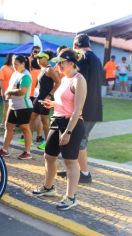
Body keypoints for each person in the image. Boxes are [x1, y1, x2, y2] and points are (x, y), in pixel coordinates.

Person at [33, 49, 87, 210]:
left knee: (70, 162)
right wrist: (53, 104)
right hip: (57, 120)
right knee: (49, 156)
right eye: (58, 62)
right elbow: (65, 104)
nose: (58, 65)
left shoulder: (79, 80)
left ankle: (71, 197)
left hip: (72, 124)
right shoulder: (64, 79)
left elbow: (77, 110)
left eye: (61, 62)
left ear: (71, 62)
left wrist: (68, 132)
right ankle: (49, 187)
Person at [57, 34, 104, 183]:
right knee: (80, 140)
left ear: (76, 45)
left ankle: (84, 174)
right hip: (95, 106)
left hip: (85, 108)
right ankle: (76, 170)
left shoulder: (82, 58)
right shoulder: (96, 59)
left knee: (80, 141)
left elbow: (77, 81)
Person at [0, 55, 33, 160]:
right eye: (13, 64)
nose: (14, 66)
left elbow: (22, 92)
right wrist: (8, 94)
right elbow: (11, 87)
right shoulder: (15, 73)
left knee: (24, 128)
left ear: (23, 64)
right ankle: (4, 150)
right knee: (8, 126)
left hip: (24, 106)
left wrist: (9, 92)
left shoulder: (26, 76)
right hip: (12, 105)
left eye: (16, 64)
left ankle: (27, 152)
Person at [30, 50, 61, 150]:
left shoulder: (49, 70)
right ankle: (28, 138)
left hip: (45, 99)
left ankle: (48, 143)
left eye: (40, 58)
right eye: (37, 58)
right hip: (39, 97)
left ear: (47, 58)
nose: (38, 60)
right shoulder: (42, 69)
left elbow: (58, 82)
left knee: (45, 121)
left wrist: (50, 95)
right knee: (31, 118)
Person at [0, 53, 14, 129]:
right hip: (6, 92)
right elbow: (0, 80)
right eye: (13, 58)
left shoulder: (16, 68)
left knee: (13, 108)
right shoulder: (3, 68)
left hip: (15, 92)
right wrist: (4, 92)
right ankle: (4, 122)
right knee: (6, 107)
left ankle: (11, 123)